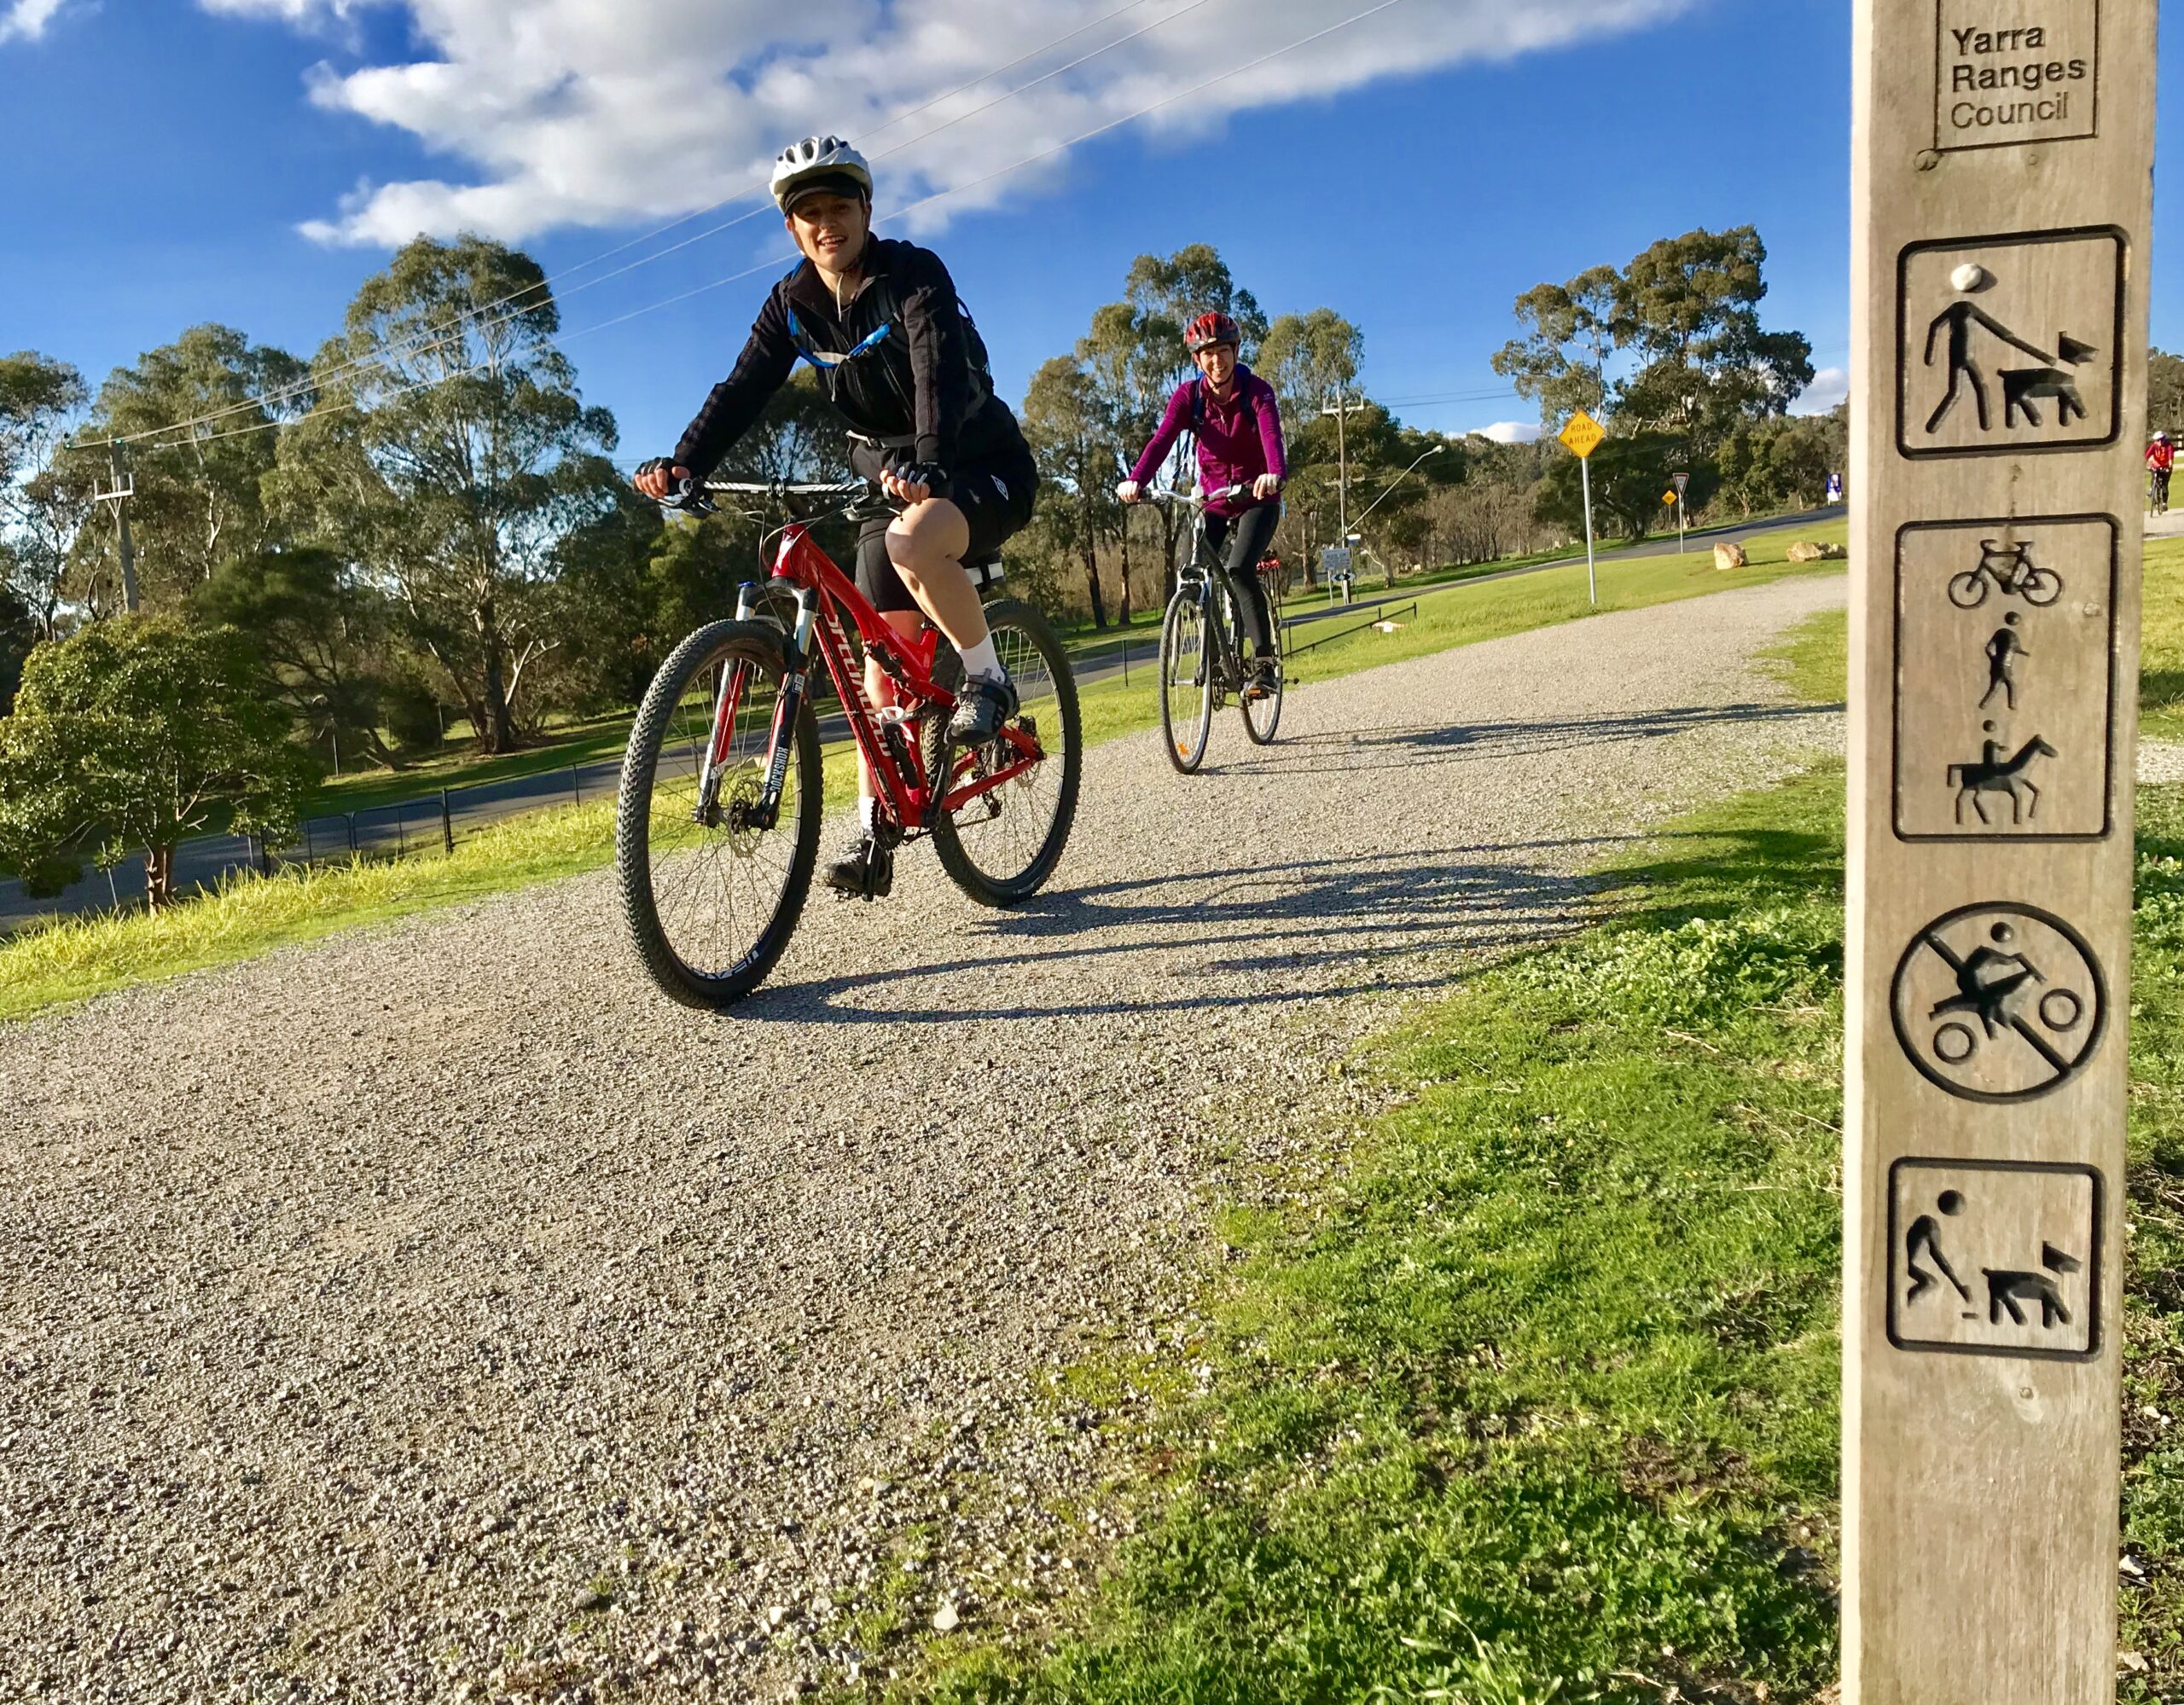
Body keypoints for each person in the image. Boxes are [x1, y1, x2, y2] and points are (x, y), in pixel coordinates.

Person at [633, 137, 1040, 901]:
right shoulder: (793, 304)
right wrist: (686, 461)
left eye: (840, 208)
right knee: (878, 675)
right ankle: (873, 829)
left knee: (913, 539)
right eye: (809, 213)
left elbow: (935, 371)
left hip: (974, 462)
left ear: (867, 212)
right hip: (886, 476)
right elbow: (743, 387)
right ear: (793, 229)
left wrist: (928, 459)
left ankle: (987, 680)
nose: (827, 224)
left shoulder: (912, 274)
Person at [1115, 312, 1287, 696]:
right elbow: (1161, 441)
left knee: (1240, 570)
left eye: (1222, 351)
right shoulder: (1188, 398)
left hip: (1258, 496)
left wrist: (1274, 473)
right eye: (1207, 354)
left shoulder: (1257, 391)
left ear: (1235, 352)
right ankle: (1215, 661)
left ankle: (1263, 664)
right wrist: (1137, 480)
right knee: (1194, 571)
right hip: (1213, 499)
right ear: (1197, 359)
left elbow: (1272, 435)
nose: (1216, 361)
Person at [2149, 429, 2175, 514]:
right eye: (2156, 440)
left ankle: (2164, 503)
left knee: (2164, 485)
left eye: (2159, 440)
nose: (2158, 442)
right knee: (2153, 478)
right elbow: (2147, 455)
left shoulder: (2169, 446)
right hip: (2155, 466)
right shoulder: (2154, 446)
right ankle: (2151, 490)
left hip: (2166, 467)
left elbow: (2170, 456)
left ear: (2163, 439)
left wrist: (2170, 466)